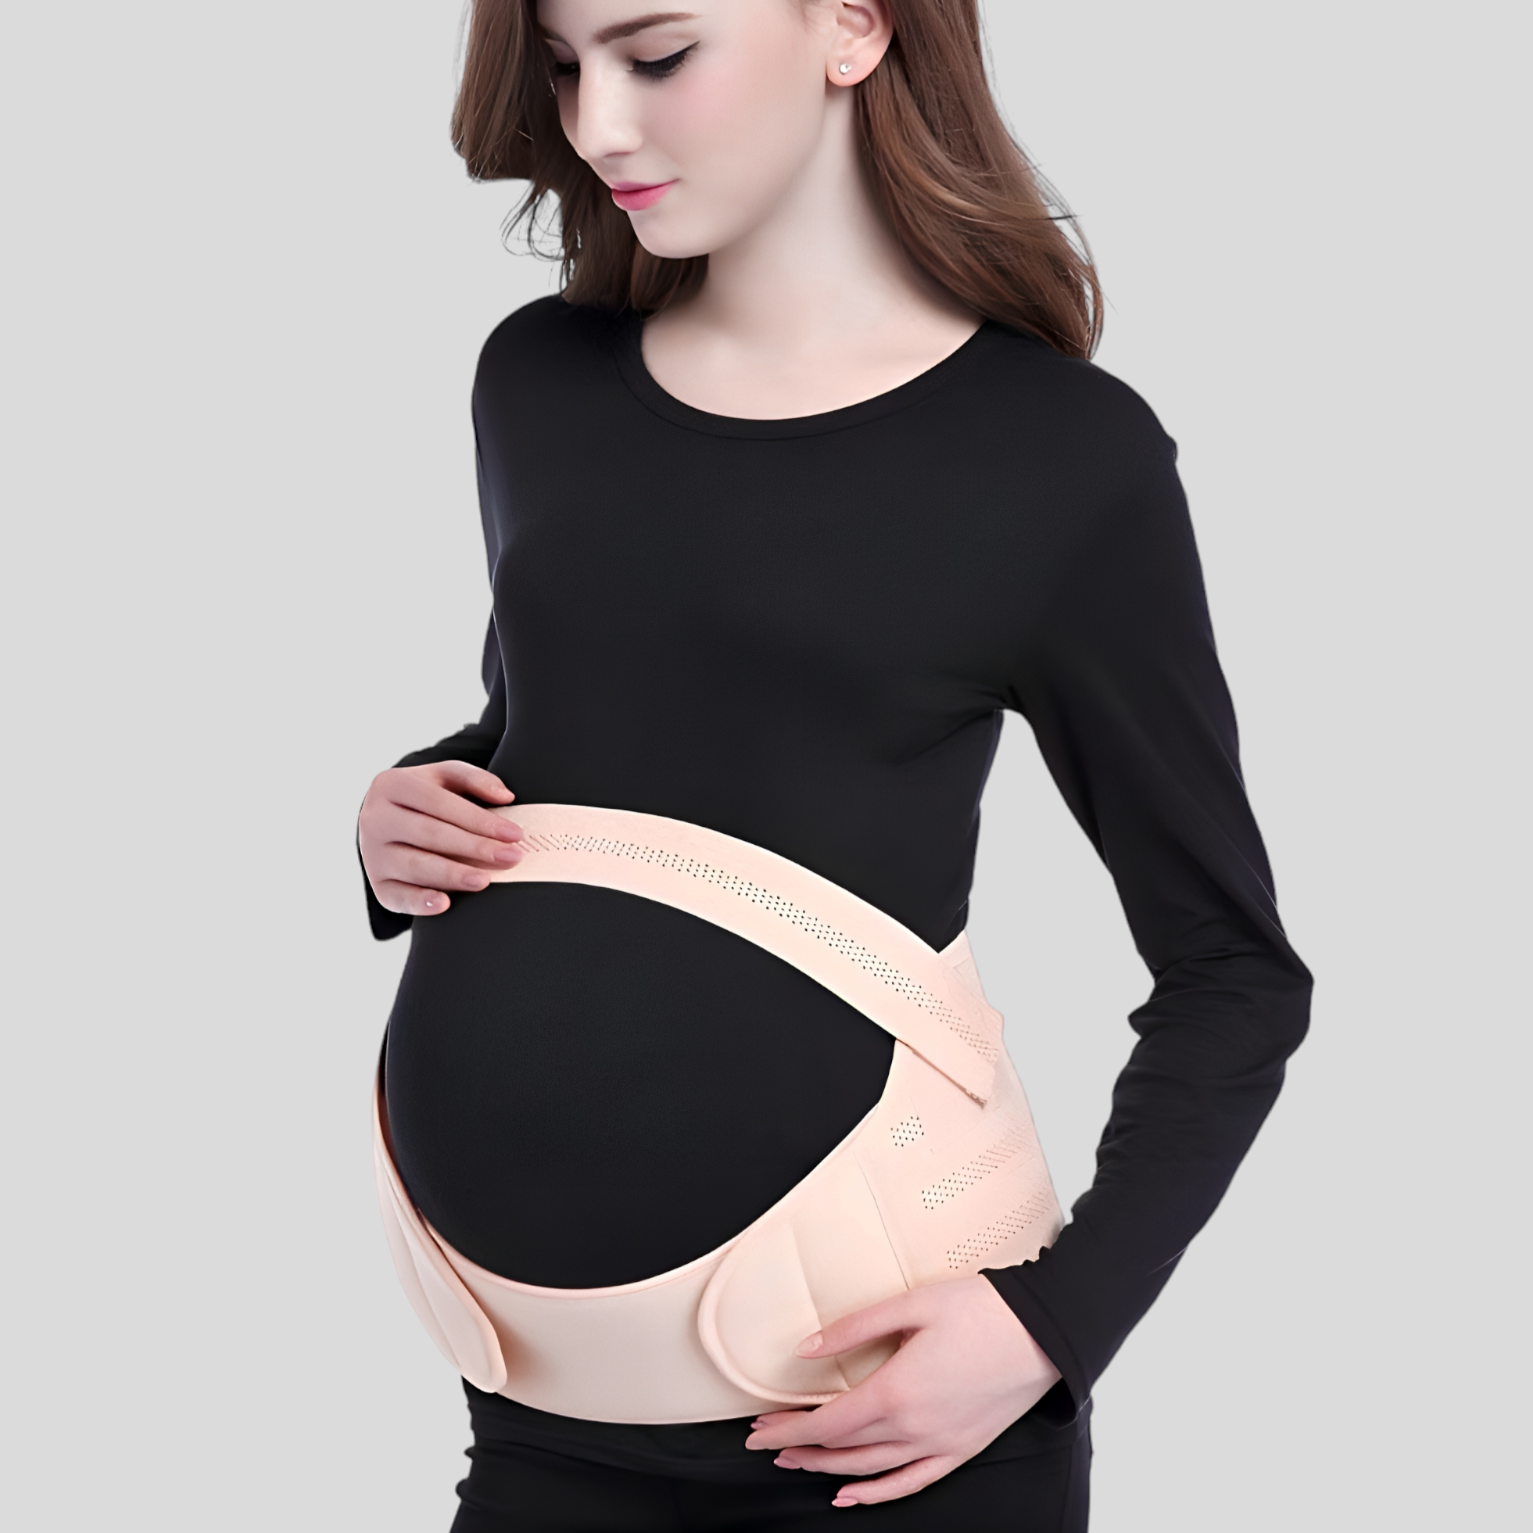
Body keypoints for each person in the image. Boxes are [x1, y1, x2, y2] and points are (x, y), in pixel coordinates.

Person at [357, 2, 1312, 1528]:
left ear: (854, 26)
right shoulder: (537, 378)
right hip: (535, 1430)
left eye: (657, 56)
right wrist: (407, 811)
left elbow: (1234, 972)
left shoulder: (1061, 456)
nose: (598, 125)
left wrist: (1052, 1329)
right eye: (565, 65)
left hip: (885, 1448)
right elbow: (584, 730)